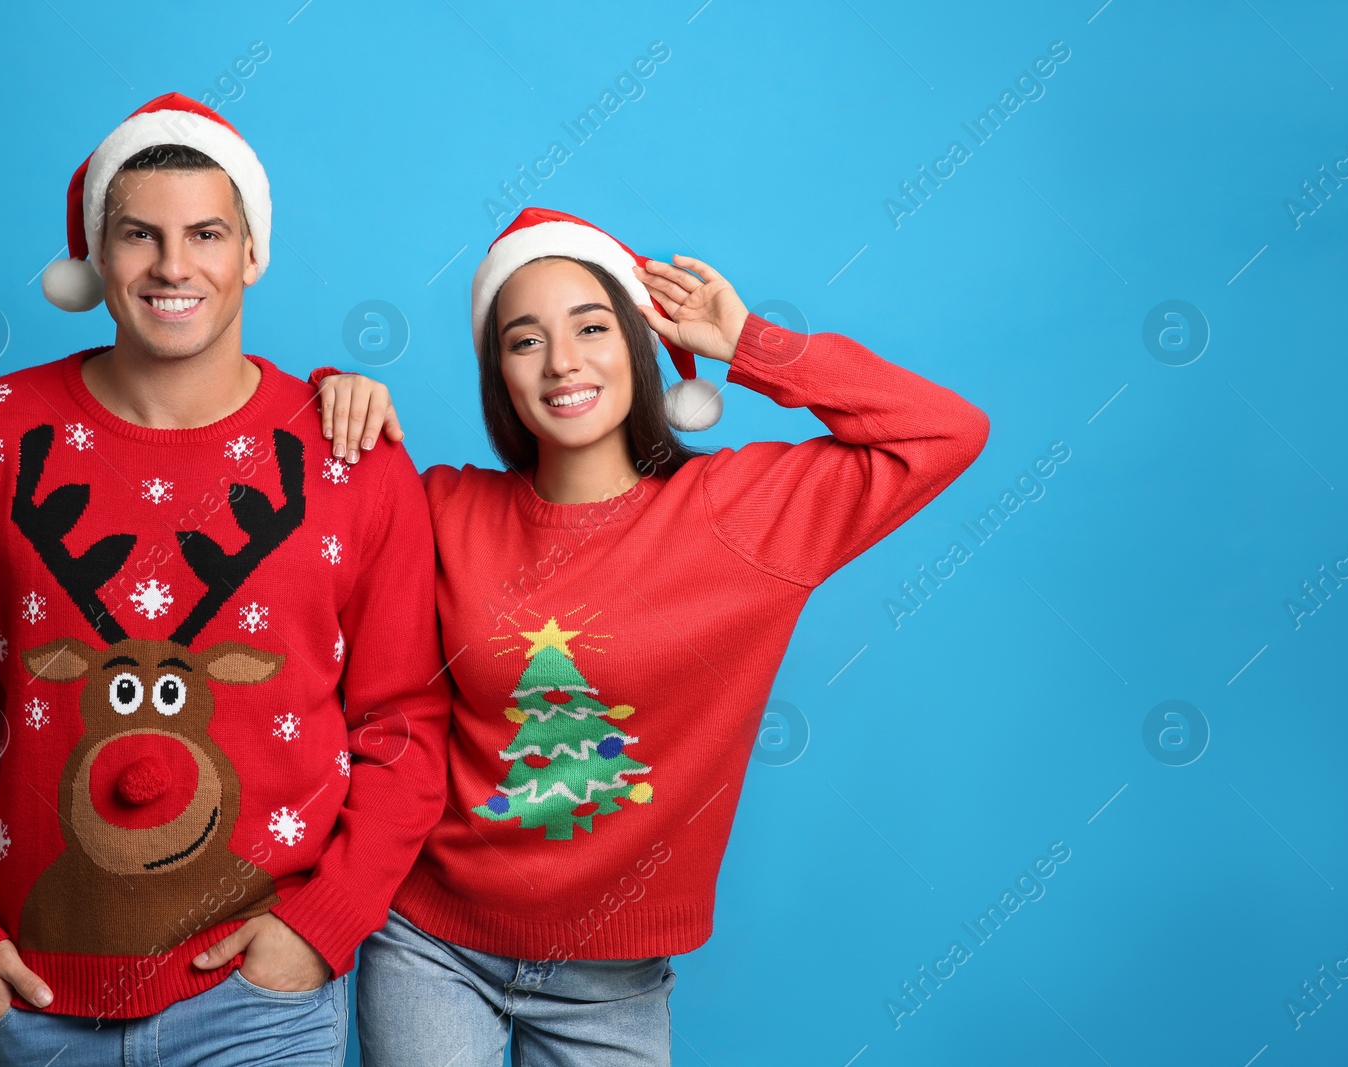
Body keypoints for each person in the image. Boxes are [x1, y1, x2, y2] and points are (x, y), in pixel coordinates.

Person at [310, 206, 992, 1065]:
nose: (562, 362)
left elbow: (946, 431)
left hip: (614, 979)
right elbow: (289, 496)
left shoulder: (739, 517)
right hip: (430, 943)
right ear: (500, 375)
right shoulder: (443, 507)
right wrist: (334, 396)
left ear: (637, 345)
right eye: (525, 341)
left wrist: (750, 343)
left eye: (592, 328)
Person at [0, 92, 450, 1067]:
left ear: (252, 253)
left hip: (261, 994)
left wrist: (322, 923)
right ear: (96, 256)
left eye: (206, 233)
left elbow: (403, 719)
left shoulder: (352, 455)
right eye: (139, 234)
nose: (173, 266)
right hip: (40, 993)